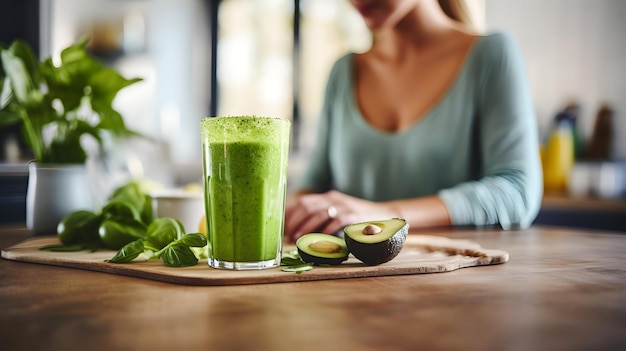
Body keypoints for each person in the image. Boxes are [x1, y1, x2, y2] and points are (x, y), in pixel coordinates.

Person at [284, 0, 543, 242]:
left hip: (459, 282)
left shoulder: (491, 55)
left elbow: (516, 191)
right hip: (352, 284)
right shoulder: (342, 72)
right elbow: (313, 182)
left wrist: (385, 215)